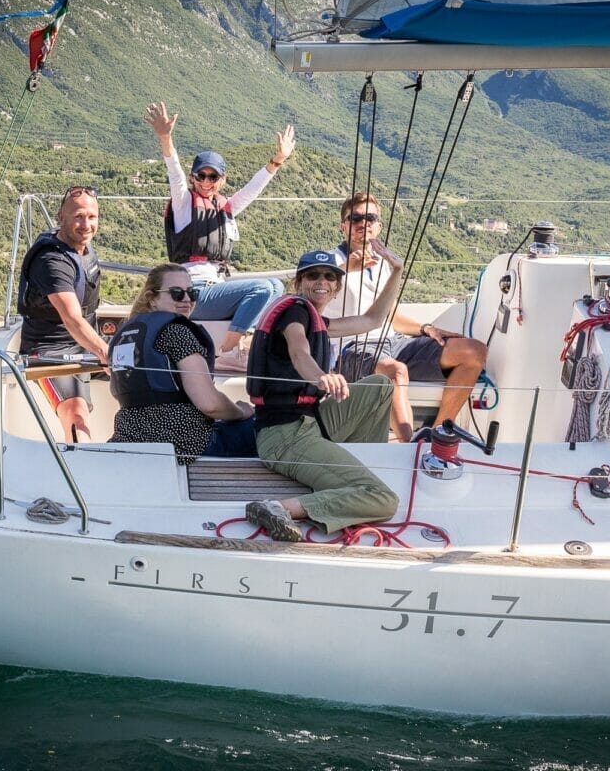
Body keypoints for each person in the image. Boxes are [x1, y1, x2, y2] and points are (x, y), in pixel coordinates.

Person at [243, 244, 405, 542]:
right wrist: (321, 377)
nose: (322, 282)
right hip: (285, 437)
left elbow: (372, 321)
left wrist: (397, 272)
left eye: (330, 277)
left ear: (336, 288)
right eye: (313, 275)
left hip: (308, 423)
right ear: (299, 283)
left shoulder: (316, 320)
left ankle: (352, 469)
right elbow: (298, 351)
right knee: (383, 498)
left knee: (380, 386)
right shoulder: (294, 313)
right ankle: (279, 508)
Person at [324, 193, 489, 442]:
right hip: (350, 348)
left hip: (393, 341)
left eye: (370, 217)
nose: (363, 223)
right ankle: (409, 444)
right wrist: (345, 269)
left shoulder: (383, 263)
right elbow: (311, 297)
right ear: (343, 226)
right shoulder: (330, 262)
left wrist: (426, 328)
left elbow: (389, 314)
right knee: (396, 371)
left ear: (379, 226)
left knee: (473, 351)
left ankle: (439, 432)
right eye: (355, 217)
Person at [144, 101, 292, 372]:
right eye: (201, 175)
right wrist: (165, 137)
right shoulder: (183, 204)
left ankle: (238, 344)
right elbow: (173, 173)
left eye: (214, 177)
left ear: (222, 180)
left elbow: (251, 190)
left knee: (277, 287)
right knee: (260, 288)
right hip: (194, 292)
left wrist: (277, 161)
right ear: (193, 177)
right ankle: (229, 350)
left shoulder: (225, 207)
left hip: (216, 285)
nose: (206, 181)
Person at [107, 264, 256, 463]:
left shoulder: (125, 335)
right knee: (266, 426)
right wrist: (241, 411)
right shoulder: (178, 333)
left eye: (192, 293)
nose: (186, 300)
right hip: (185, 446)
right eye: (176, 293)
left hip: (130, 438)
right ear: (152, 298)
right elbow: (210, 404)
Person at [17, 185, 110, 443]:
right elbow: (72, 318)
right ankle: (83, 463)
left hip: (84, 346)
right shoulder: (51, 261)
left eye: (92, 217)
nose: (86, 224)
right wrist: (105, 352)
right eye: (78, 216)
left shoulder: (84, 249)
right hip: (50, 350)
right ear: (61, 217)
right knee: (76, 411)